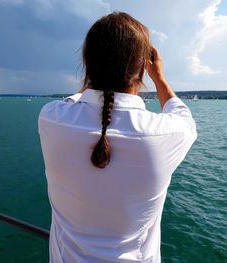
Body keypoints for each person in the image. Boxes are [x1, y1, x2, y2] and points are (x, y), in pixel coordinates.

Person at [38, 12, 197, 263]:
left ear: (87, 64)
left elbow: (79, 99)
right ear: (143, 69)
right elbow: (182, 114)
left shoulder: (52, 118)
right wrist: (160, 78)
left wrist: (95, 75)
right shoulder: (164, 133)